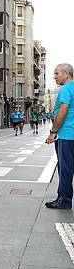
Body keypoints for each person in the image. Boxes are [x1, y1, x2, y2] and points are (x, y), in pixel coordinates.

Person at [45, 64, 74, 210]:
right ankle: (62, 197)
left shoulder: (66, 89)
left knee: (65, 168)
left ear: (67, 74)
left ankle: (64, 200)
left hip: (67, 134)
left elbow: (63, 110)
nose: (54, 77)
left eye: (57, 73)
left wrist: (53, 131)